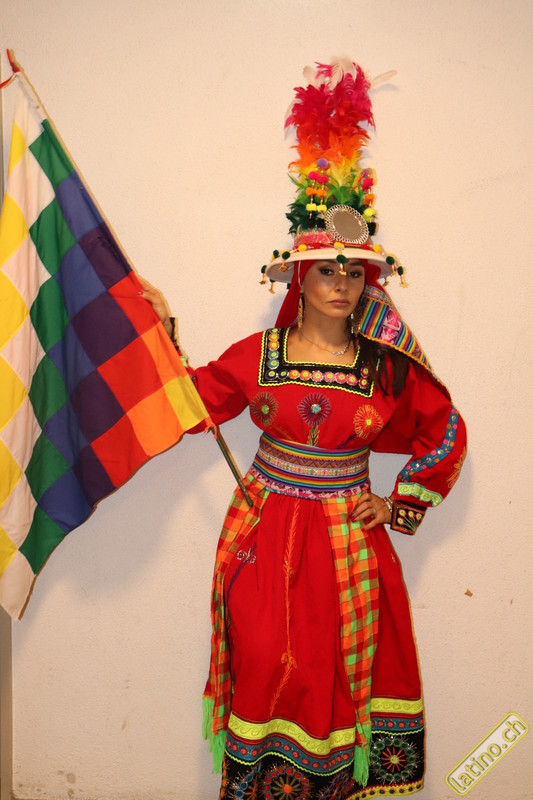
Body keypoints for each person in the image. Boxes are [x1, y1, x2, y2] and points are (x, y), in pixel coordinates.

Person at [140, 59, 467, 799]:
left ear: (367, 281)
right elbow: (191, 404)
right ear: (299, 279)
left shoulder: (384, 366)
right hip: (264, 537)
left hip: (349, 540)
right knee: (265, 663)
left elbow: (444, 429)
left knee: (338, 677)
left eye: (353, 273)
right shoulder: (258, 356)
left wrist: (400, 502)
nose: (341, 284)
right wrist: (159, 331)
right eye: (326, 271)